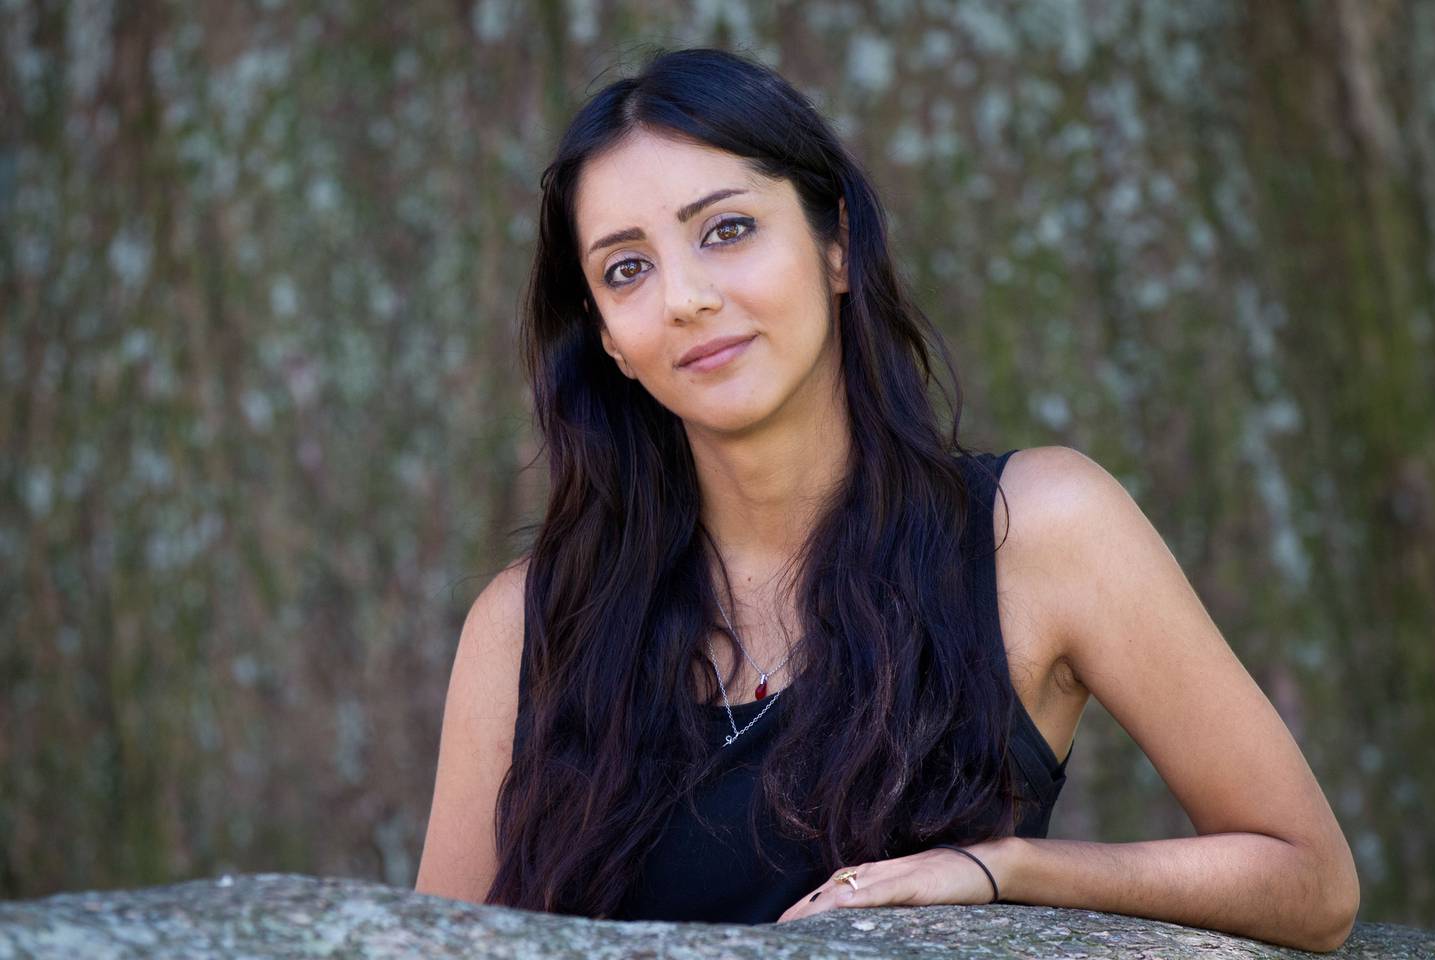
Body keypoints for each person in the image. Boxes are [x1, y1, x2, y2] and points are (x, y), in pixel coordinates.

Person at [414, 47, 1359, 951]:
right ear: (610, 340)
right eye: (628, 268)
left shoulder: (1035, 530)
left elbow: (1311, 886)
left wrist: (1003, 869)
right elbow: (431, 952)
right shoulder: (529, 623)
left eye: (727, 229)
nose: (686, 297)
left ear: (837, 245)